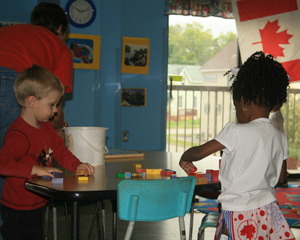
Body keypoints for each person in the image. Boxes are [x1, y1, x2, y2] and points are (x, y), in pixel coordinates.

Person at [179, 51, 295, 240]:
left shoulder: (236, 131)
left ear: (244, 103)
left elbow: (199, 152)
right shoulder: (279, 136)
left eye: (235, 107)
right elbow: (281, 177)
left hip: (238, 211)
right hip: (268, 210)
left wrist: (185, 156)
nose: (236, 112)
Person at [0, 3, 73, 236]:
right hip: (10, 79)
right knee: (10, 160)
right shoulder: (59, 47)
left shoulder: (10, 31)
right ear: (60, 28)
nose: (51, 109)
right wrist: (59, 128)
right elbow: (55, 108)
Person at [0, 65, 94, 240]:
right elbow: (3, 164)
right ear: (32, 102)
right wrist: (36, 169)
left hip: (37, 201)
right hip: (18, 209)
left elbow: (60, 150)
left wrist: (77, 165)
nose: (56, 110)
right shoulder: (18, 134)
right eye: (52, 105)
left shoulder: (45, 127)